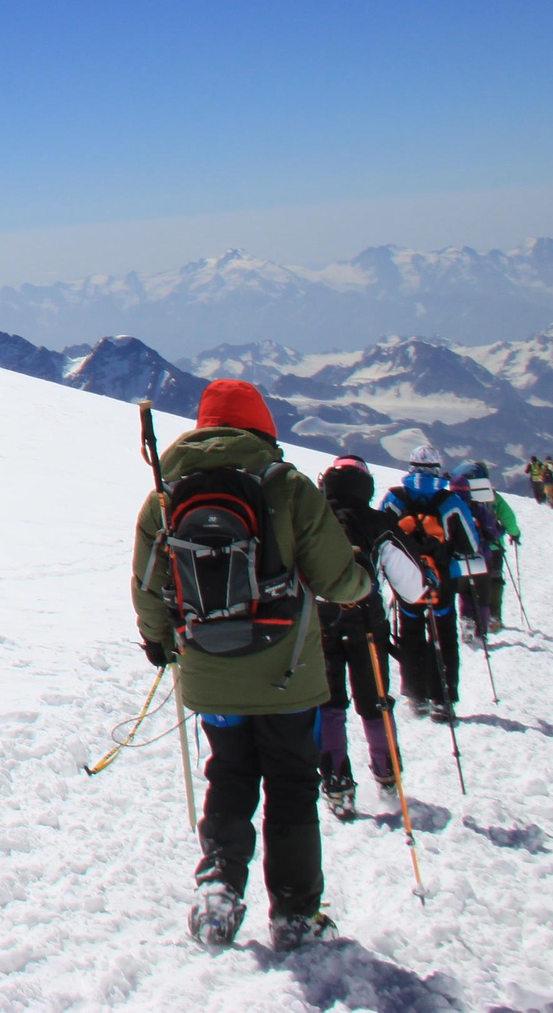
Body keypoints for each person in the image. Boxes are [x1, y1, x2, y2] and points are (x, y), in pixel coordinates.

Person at [134, 379, 371, 951]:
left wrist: (160, 642)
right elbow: (339, 580)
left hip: (210, 672)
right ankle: (294, 911)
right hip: (287, 672)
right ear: (262, 426)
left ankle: (218, 889)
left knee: (230, 775)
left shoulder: (166, 492)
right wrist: (361, 581)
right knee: (292, 783)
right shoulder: (285, 484)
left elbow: (148, 585)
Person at [311, 458, 415, 817]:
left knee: (329, 704)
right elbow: (412, 587)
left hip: (320, 625)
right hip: (368, 627)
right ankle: (387, 775)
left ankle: (336, 783)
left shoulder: (310, 520)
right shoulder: (379, 523)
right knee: (375, 703)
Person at [379, 443, 486, 719]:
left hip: (406, 582)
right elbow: (470, 544)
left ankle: (416, 696)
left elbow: (379, 536)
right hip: (442, 580)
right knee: (444, 636)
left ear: (411, 467)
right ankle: (443, 699)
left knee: (410, 633)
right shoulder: (450, 501)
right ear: (438, 469)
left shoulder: (395, 498)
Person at [457, 461, 521, 636]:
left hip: (464, 548)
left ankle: (467, 618)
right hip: (492, 548)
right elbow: (509, 518)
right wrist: (514, 534)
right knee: (494, 581)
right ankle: (492, 617)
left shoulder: (458, 496)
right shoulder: (492, 497)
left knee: (465, 585)